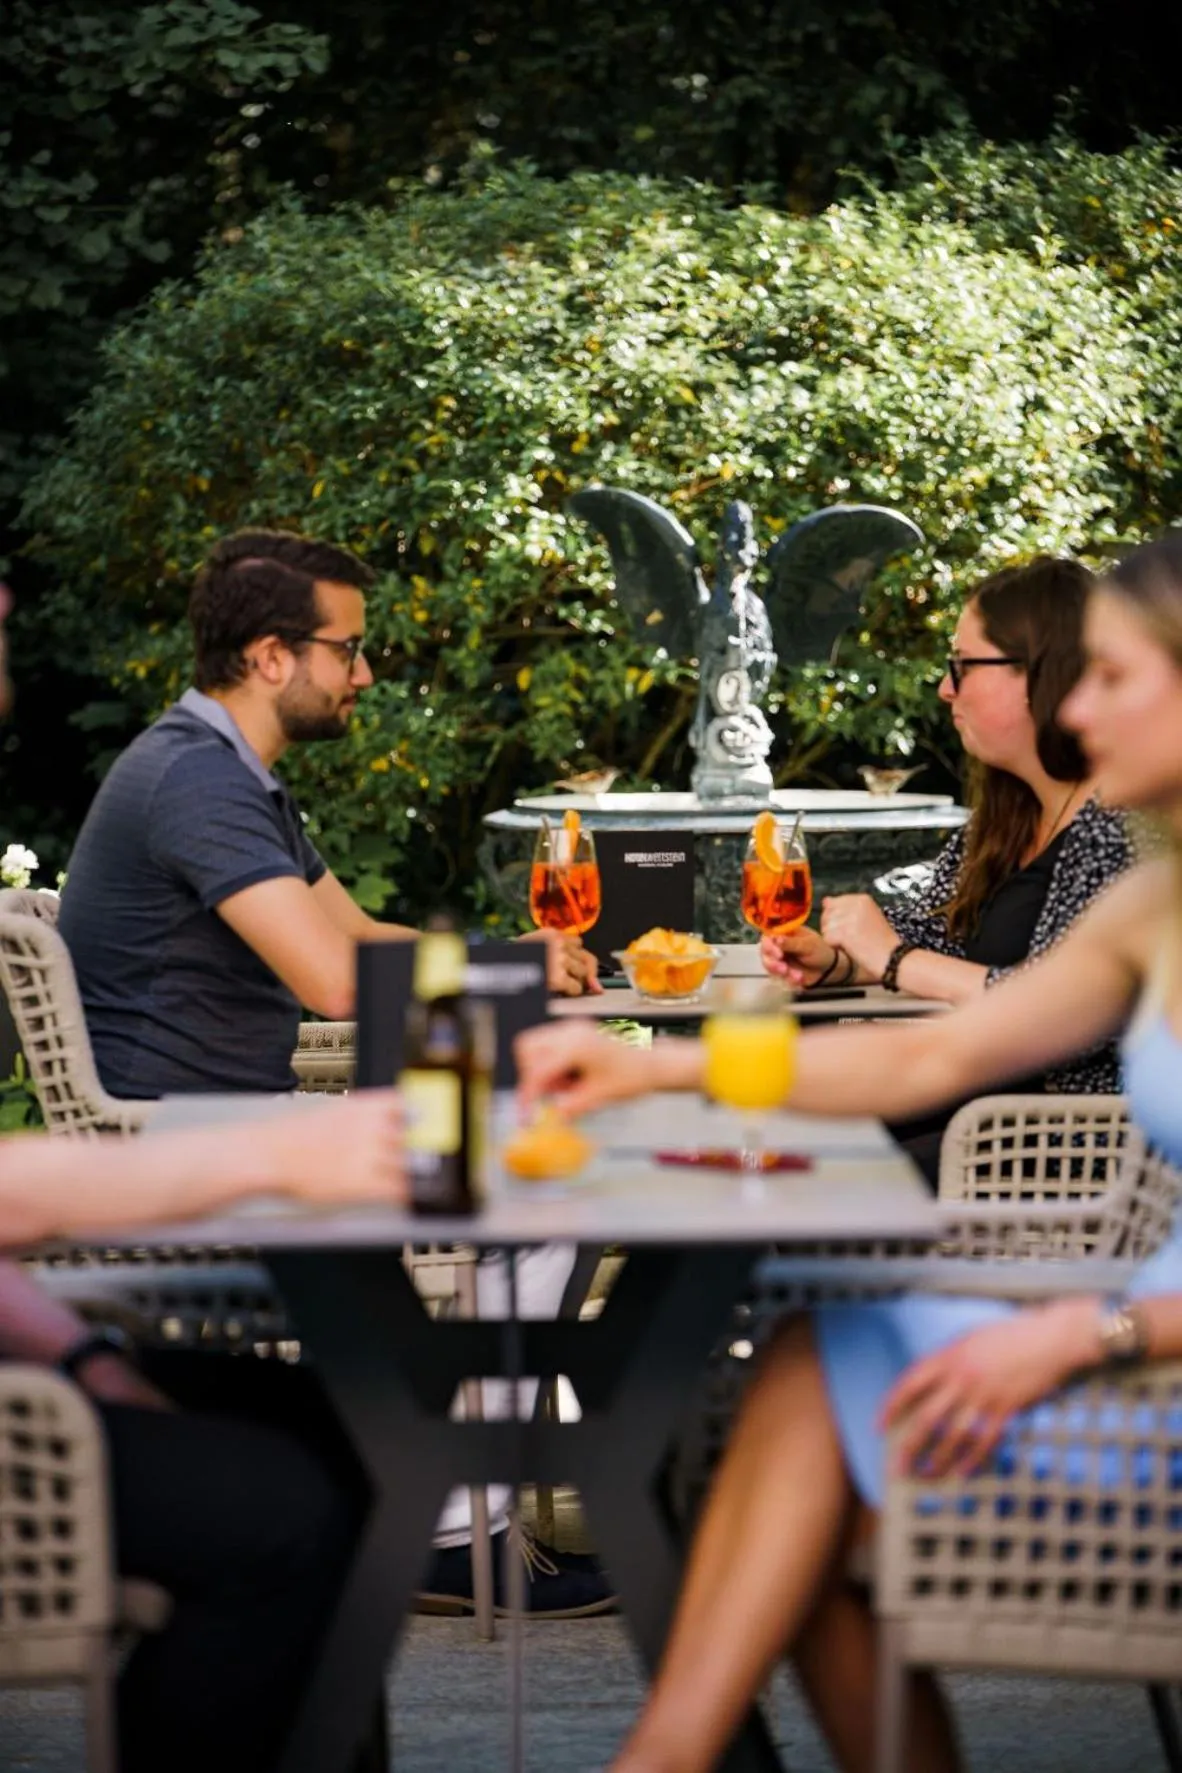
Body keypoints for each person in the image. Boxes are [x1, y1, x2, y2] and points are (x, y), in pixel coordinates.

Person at [516, 532, 1182, 1772]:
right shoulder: (1155, 900)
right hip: (1085, 1291)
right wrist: (654, 1066)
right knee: (778, 1398)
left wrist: (1094, 1331)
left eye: (1115, 675)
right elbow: (924, 1061)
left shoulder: (1126, 871)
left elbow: (954, 1022)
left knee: (784, 1398)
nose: (1081, 710)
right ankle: (669, 1752)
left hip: (1120, 1331)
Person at [55, 528, 610, 1616]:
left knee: (548, 1169)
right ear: (272, 656)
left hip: (231, 1121)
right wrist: (498, 971)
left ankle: (451, 1510)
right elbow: (335, 982)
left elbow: (353, 925)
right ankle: (450, 1532)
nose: (362, 674)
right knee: (547, 1191)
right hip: (184, 1147)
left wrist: (511, 959)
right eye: (346, 650)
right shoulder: (195, 781)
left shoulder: (230, 772)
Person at [764, 557, 1134, 1181]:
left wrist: (894, 960)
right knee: (760, 1148)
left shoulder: (1118, 828)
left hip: (1059, 1151)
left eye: (963, 665)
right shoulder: (1007, 817)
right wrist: (843, 959)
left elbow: (1059, 1018)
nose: (944, 688)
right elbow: (946, 937)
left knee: (793, 1178)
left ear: (1041, 673)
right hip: (971, 1111)